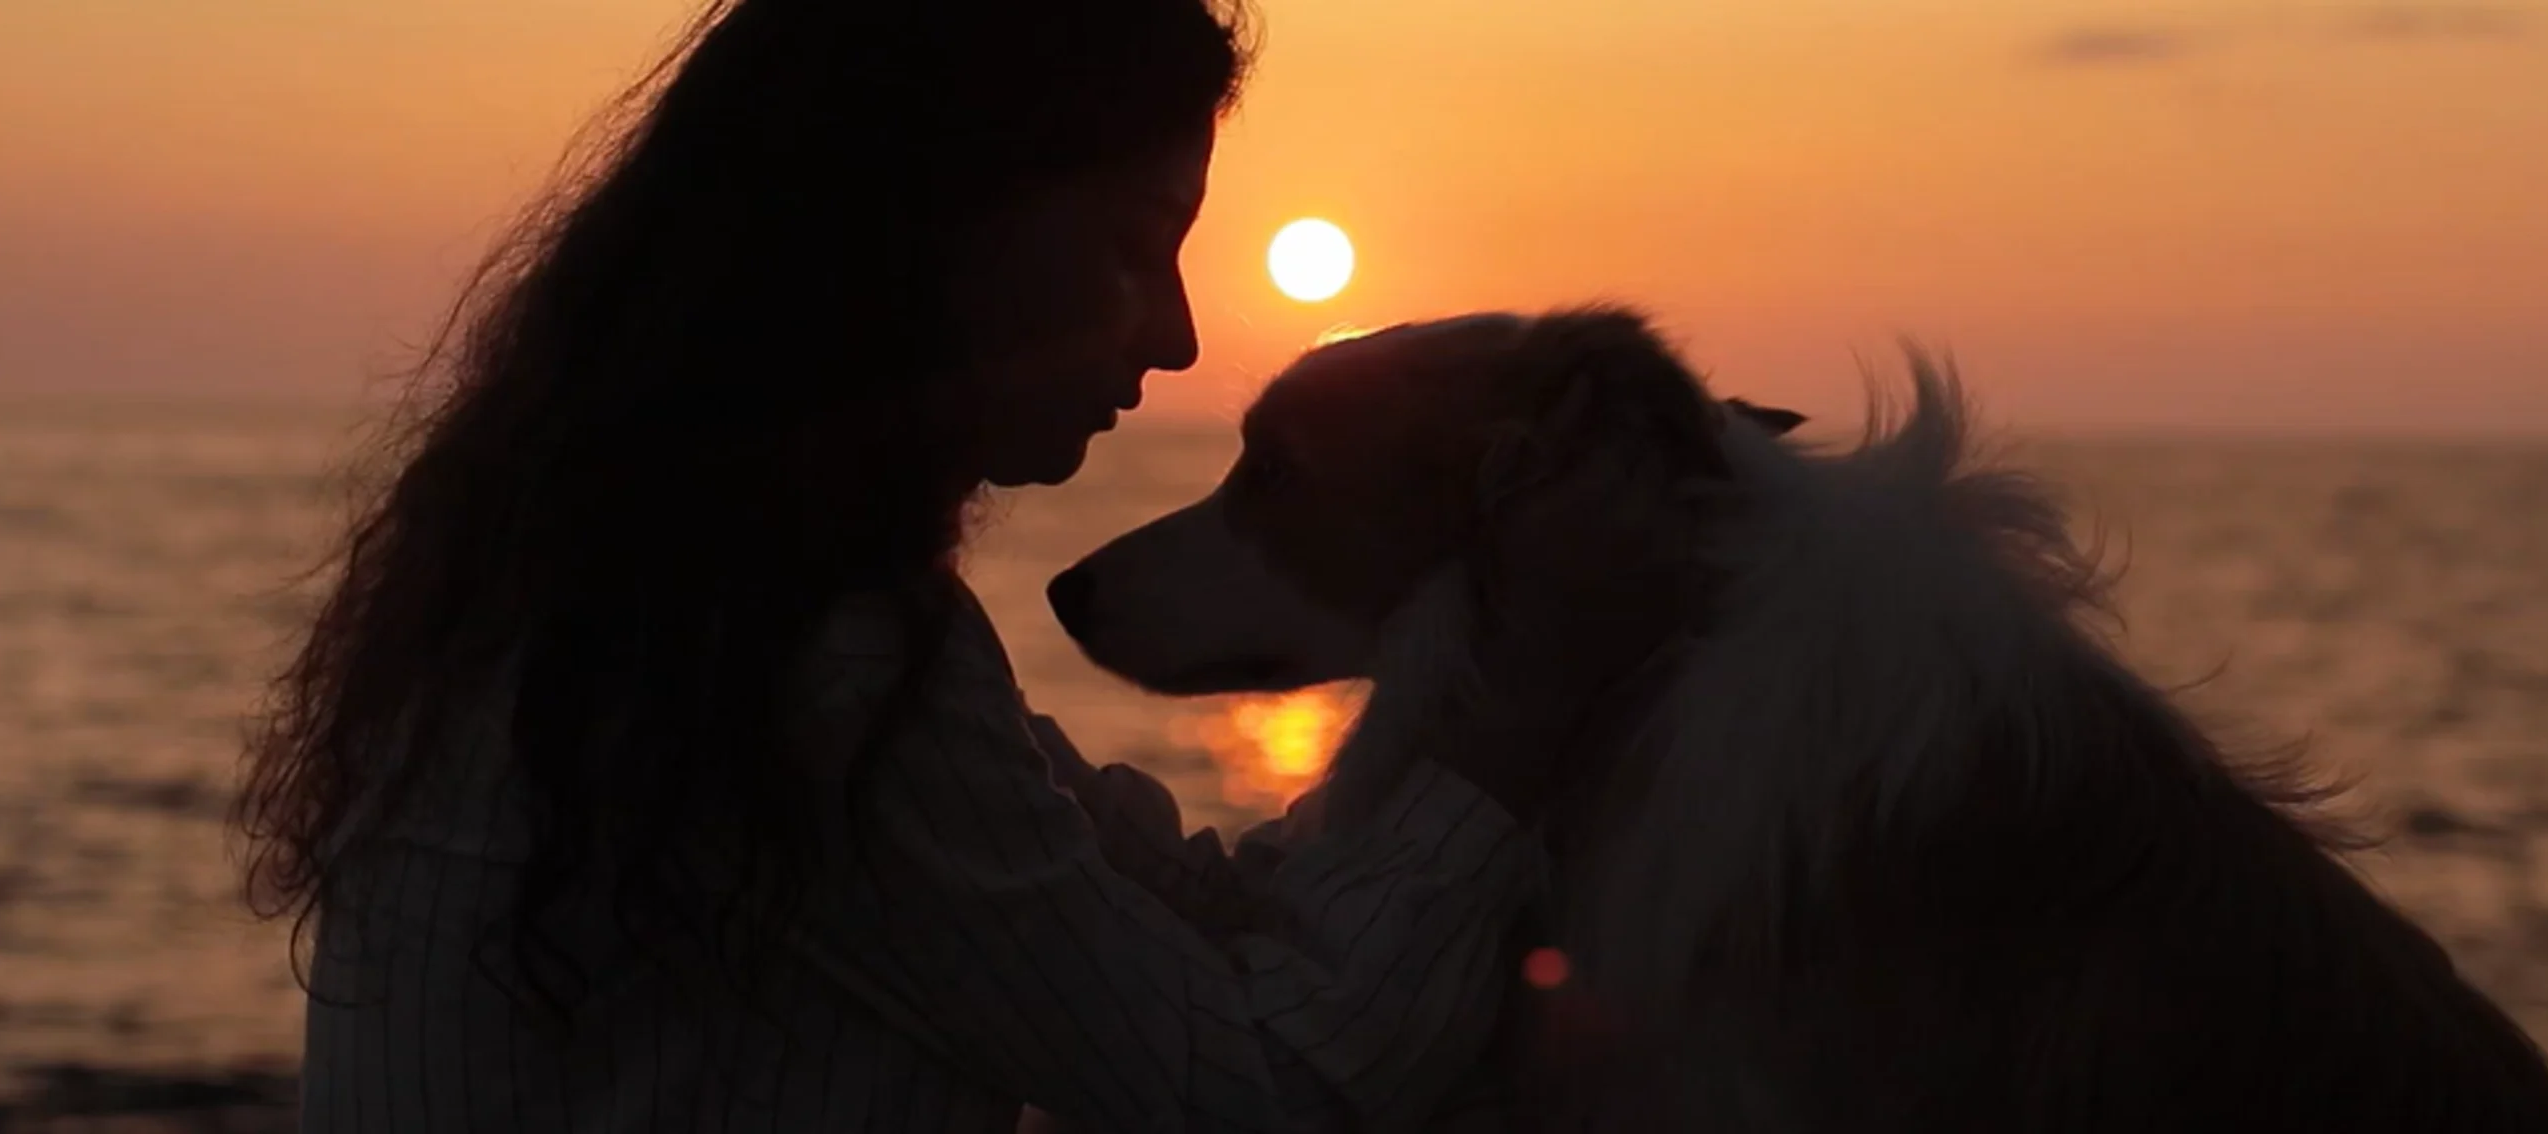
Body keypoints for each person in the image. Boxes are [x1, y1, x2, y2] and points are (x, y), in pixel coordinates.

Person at [230, 1, 1694, 1130]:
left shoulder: (639, 592)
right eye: (1136, 243)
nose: (1176, 332)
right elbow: (1268, 1092)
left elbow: (1177, 923)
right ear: (930, 226)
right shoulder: (791, 661)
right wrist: (1518, 702)